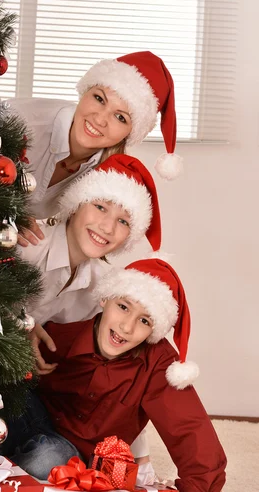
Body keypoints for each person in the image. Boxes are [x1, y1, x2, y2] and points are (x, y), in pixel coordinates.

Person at [0, 257, 258, 492]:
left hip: (72, 453)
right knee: (1, 411)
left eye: (144, 321)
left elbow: (189, 427)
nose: (126, 327)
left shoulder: (157, 363)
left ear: (154, 331)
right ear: (105, 299)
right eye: (123, 307)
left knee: (49, 459)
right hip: (31, 415)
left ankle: (4, 461)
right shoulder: (63, 335)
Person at [19, 152, 161, 469]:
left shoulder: (101, 287)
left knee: (59, 460)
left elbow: (120, 369)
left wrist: (141, 456)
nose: (108, 227)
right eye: (100, 206)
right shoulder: (26, 241)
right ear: (77, 203)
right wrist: (22, 324)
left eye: (124, 221)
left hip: (35, 395)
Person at [7, 51, 183, 244]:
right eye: (99, 99)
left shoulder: (106, 175)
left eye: (120, 117)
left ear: (129, 133)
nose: (100, 119)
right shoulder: (21, 122)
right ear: (85, 92)